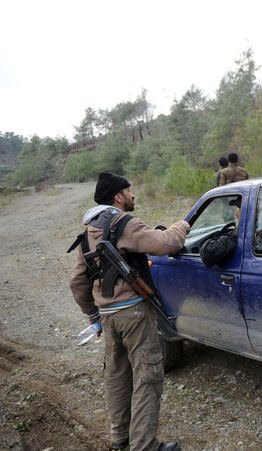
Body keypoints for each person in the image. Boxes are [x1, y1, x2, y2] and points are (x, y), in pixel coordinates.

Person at [69, 172, 190, 450]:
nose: (133, 194)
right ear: (118, 197)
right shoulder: (123, 223)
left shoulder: (88, 233)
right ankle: (145, 445)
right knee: (148, 375)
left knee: (117, 376)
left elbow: (76, 281)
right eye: (129, 190)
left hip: (108, 318)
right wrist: (181, 226)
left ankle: (120, 439)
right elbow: (166, 244)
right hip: (134, 314)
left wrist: (93, 316)